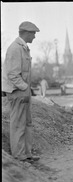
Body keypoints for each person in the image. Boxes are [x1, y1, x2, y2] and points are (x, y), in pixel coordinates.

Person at [1, 21, 40, 162]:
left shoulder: (23, 48)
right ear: (26, 33)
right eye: (33, 33)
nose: (34, 37)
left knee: (26, 123)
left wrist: (27, 89)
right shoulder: (15, 49)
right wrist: (25, 88)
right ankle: (19, 154)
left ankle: (26, 153)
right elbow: (12, 74)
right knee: (18, 123)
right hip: (17, 92)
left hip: (23, 91)